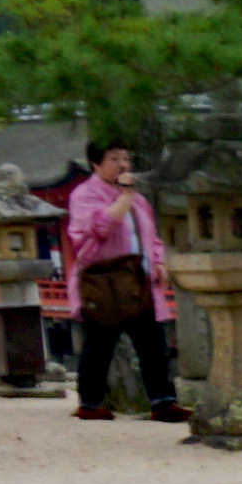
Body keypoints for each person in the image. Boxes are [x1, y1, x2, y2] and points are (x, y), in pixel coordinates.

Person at [64, 139, 183, 423]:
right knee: (100, 342)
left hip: (139, 279)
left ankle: (163, 401)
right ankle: (90, 402)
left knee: (153, 342)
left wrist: (159, 262)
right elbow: (99, 227)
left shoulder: (138, 200)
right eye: (115, 158)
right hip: (105, 279)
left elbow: (152, 236)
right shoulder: (85, 195)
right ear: (96, 163)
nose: (123, 165)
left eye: (126, 159)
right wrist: (125, 197)